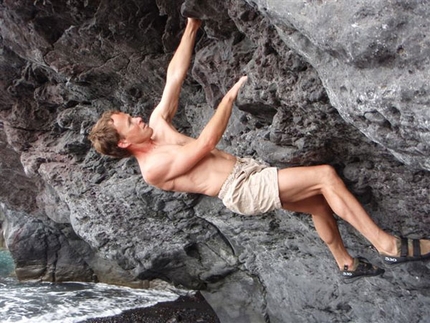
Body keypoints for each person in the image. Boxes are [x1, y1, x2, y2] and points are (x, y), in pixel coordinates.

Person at [89, 18, 430, 279]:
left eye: (131, 115)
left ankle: (347, 264)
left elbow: (174, 76)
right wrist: (230, 97)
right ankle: (387, 245)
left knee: (321, 207)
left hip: (247, 171)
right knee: (325, 177)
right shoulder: (153, 170)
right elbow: (207, 143)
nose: (136, 117)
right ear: (123, 142)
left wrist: (192, 26)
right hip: (241, 188)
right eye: (128, 122)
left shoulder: (158, 124)